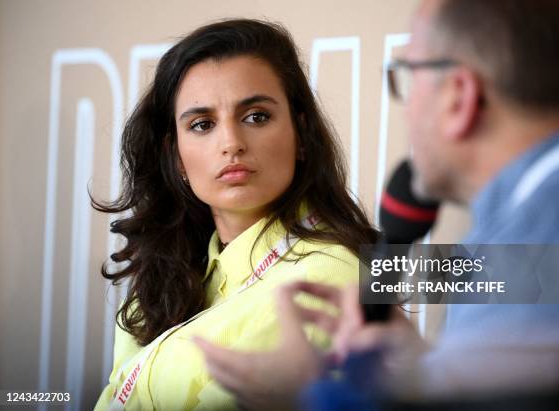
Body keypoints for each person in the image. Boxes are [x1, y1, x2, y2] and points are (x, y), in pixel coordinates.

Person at [196, 0, 559, 408]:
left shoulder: (552, 234)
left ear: (458, 97)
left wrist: (307, 397)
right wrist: (427, 373)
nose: (407, 109)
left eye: (408, 79)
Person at [92, 18, 377, 410]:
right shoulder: (164, 274)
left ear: (301, 134)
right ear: (175, 156)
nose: (231, 143)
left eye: (256, 116)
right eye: (202, 124)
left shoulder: (330, 277)